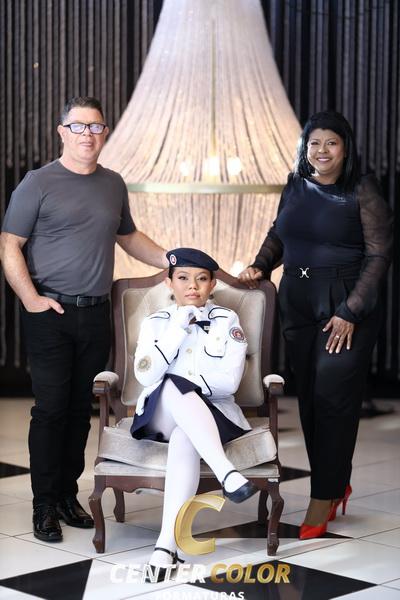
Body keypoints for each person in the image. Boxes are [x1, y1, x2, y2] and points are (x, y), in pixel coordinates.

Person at [0, 96, 168, 543]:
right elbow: (9, 244)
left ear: (104, 133)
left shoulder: (113, 184)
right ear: (62, 131)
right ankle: (42, 505)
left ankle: (65, 496)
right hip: (50, 314)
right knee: (51, 410)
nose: (87, 135)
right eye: (78, 126)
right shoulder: (37, 183)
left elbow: (129, 236)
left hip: (94, 314)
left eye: (96, 127)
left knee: (79, 411)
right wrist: (31, 299)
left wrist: (170, 260)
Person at [238, 111, 393, 539]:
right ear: (305, 148)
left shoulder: (362, 189)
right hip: (298, 301)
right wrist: (260, 264)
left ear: (346, 148)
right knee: (308, 399)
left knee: (332, 400)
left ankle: (323, 496)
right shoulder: (295, 185)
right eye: (314, 143)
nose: (322, 151)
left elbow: (379, 255)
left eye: (331, 143)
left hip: (345, 305)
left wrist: (351, 310)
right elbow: (279, 234)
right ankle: (336, 481)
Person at [131, 247, 258, 581]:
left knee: (184, 435)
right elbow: (145, 375)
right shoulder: (155, 323)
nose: (192, 286)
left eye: (202, 279)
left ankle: (165, 546)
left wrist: (189, 390)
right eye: (183, 278)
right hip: (159, 415)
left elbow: (229, 382)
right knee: (173, 385)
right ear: (169, 282)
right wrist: (178, 327)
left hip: (213, 415)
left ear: (212, 284)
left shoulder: (227, 320)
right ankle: (226, 472)